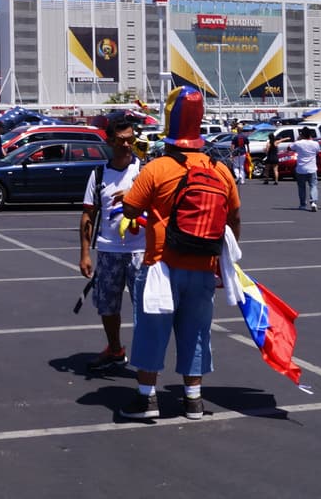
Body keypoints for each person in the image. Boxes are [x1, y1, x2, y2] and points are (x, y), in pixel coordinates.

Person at [118, 87, 241, 421]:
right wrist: (222, 264)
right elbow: (234, 219)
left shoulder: (157, 169)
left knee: (151, 331)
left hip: (161, 264)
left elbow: (131, 207)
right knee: (197, 333)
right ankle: (193, 401)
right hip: (204, 265)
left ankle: (147, 400)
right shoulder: (220, 169)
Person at [78, 115, 144, 372]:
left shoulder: (145, 171)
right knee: (107, 305)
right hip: (108, 250)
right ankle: (115, 349)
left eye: (131, 140)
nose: (127, 145)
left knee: (144, 309)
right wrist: (85, 254)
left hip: (141, 251)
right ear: (110, 141)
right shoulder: (98, 174)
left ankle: (144, 359)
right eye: (121, 140)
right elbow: (88, 215)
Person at [292, 127, 321, 211]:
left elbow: (289, 148)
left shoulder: (298, 143)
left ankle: (302, 204)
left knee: (301, 187)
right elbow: (318, 152)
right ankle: (313, 202)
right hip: (312, 168)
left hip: (301, 168)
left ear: (302, 134)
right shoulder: (315, 144)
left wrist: (298, 139)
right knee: (313, 185)